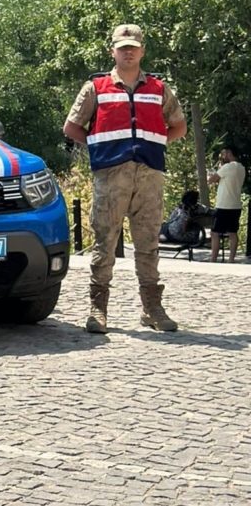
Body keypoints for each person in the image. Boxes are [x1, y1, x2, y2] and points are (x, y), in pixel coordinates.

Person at [63, 24, 188, 333]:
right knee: (105, 243)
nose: (128, 51)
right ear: (113, 51)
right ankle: (98, 309)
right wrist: (100, 147)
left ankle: (152, 309)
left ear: (142, 51)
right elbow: (72, 127)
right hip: (110, 175)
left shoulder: (159, 88)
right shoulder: (96, 87)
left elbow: (179, 126)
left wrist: (153, 144)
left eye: (133, 46)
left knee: (148, 243)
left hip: (149, 175)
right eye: (123, 47)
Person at [208, 147, 246, 262]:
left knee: (215, 233)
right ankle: (231, 259)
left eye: (224, 154)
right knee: (232, 232)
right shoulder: (241, 168)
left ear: (229, 153)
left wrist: (210, 174)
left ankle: (213, 259)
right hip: (235, 205)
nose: (222, 157)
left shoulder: (227, 167)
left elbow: (211, 180)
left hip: (223, 205)